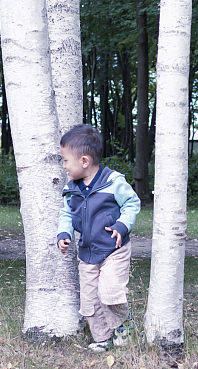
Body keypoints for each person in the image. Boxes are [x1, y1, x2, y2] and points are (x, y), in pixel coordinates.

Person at [55, 124, 141, 351]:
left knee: (110, 292)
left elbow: (132, 203)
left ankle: (123, 324)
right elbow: (66, 213)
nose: (63, 166)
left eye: (65, 160)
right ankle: (102, 339)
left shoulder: (113, 182)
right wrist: (64, 233)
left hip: (114, 248)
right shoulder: (71, 188)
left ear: (84, 161)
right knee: (90, 300)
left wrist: (122, 225)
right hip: (87, 252)